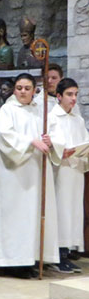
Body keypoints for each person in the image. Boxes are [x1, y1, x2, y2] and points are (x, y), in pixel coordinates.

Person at [0, 73, 59, 278]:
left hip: (35, 172)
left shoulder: (40, 111)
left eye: (27, 88)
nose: (22, 92)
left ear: (34, 90)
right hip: (14, 174)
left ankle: (32, 258)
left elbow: (51, 133)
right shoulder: (7, 110)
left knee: (32, 215)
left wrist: (48, 140)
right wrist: (30, 141)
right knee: (16, 216)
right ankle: (12, 262)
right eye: (19, 87)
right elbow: (4, 135)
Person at [48, 78, 87, 273]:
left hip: (76, 170)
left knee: (73, 212)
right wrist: (59, 150)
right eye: (69, 94)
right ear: (59, 96)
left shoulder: (78, 120)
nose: (73, 99)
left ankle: (68, 252)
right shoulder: (52, 118)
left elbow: (85, 140)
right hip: (61, 170)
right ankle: (58, 253)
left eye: (75, 95)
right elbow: (49, 142)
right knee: (61, 211)